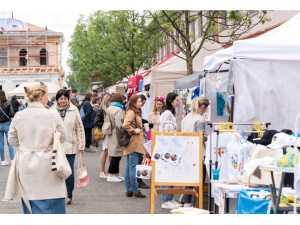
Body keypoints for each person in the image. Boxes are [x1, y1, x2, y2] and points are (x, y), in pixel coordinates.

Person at [5, 82, 67, 214]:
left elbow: (12, 140)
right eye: (46, 96)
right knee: (54, 201)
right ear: (41, 96)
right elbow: (63, 136)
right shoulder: (52, 114)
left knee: (32, 203)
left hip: (26, 164)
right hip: (50, 162)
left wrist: (26, 144)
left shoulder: (19, 116)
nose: (48, 98)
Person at [52, 89, 85, 205]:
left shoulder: (74, 109)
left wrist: (81, 145)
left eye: (65, 98)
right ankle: (58, 194)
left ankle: (69, 194)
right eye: (60, 98)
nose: (63, 101)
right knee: (56, 171)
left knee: (68, 171)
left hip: (70, 146)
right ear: (57, 99)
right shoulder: (51, 111)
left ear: (68, 99)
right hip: (56, 146)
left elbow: (79, 128)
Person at [181, 97, 210, 207]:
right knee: (199, 180)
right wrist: (211, 137)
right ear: (202, 106)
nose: (206, 110)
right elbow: (200, 136)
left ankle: (187, 204)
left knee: (188, 179)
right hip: (197, 153)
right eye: (206, 108)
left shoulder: (186, 118)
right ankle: (195, 205)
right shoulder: (199, 119)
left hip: (186, 152)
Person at [159, 92, 182, 210]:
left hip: (167, 147)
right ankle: (166, 199)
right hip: (167, 148)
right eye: (176, 100)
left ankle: (169, 198)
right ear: (170, 101)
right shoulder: (168, 114)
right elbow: (168, 133)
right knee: (167, 174)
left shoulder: (168, 113)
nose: (178, 103)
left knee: (169, 173)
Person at [122, 94, 147, 198]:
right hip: (134, 142)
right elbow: (125, 125)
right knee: (132, 167)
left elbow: (131, 125)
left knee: (129, 166)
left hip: (133, 141)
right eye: (139, 101)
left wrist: (140, 130)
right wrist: (134, 130)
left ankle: (130, 189)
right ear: (133, 103)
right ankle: (135, 190)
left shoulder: (133, 111)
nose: (141, 103)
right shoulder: (132, 112)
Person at [106, 93, 125, 182]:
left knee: (114, 153)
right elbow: (119, 124)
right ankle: (111, 174)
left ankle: (116, 173)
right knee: (116, 154)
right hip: (117, 133)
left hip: (110, 132)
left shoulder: (109, 108)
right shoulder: (119, 109)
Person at [94, 93, 112, 178]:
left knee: (108, 152)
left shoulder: (107, 109)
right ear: (107, 101)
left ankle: (107, 171)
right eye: (110, 100)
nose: (111, 102)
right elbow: (96, 122)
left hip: (108, 132)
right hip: (105, 133)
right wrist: (106, 126)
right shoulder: (101, 109)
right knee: (105, 152)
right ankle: (102, 171)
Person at [0, 90, 15, 166]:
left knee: (1, 143)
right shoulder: (8, 103)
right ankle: (12, 160)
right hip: (7, 124)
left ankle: (3, 161)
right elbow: (12, 114)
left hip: (0, 125)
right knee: (9, 143)